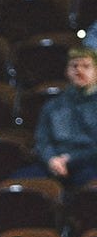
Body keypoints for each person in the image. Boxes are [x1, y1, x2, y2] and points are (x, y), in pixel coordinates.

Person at [27, 47, 97, 188]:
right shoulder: (52, 105)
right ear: (67, 71)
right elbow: (42, 141)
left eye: (86, 66)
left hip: (89, 163)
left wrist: (70, 159)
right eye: (74, 66)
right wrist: (51, 159)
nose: (79, 71)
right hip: (53, 164)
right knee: (20, 184)